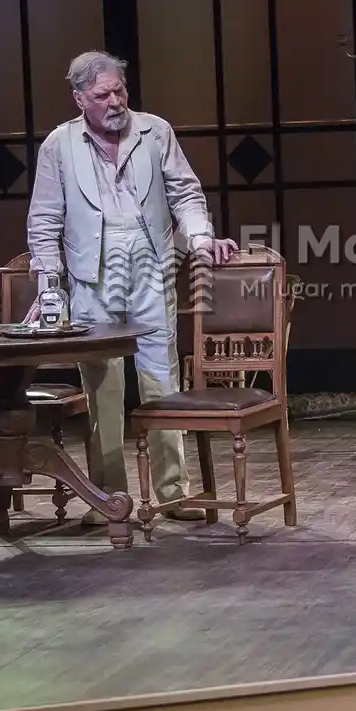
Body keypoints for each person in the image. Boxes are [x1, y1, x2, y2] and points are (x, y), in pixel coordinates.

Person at [27, 50, 237, 524]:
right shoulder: (59, 146)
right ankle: (107, 496)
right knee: (101, 384)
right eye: (102, 94)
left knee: (160, 377)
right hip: (91, 271)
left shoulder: (154, 130)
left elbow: (185, 191)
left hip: (151, 263)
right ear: (80, 98)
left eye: (119, 90)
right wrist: (49, 285)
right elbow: (44, 220)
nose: (115, 101)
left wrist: (201, 238)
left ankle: (171, 491)